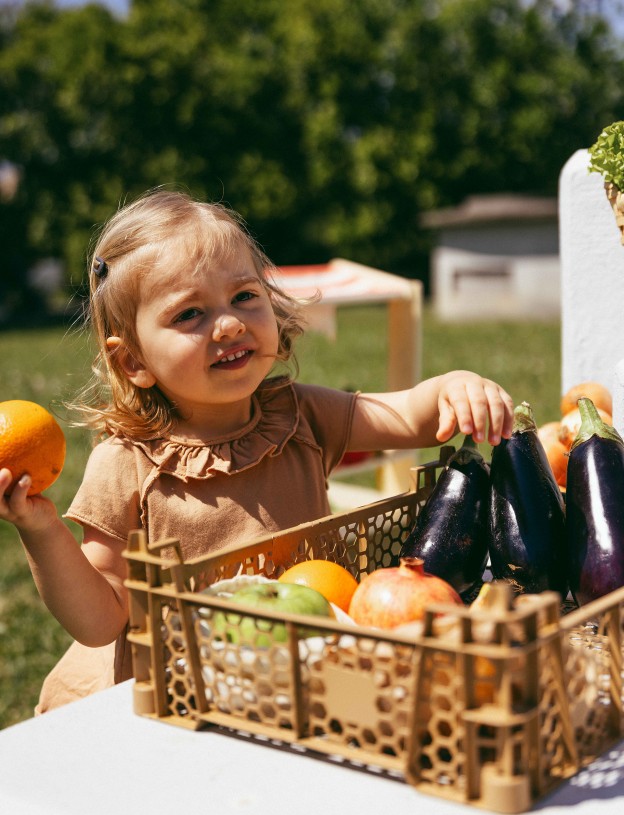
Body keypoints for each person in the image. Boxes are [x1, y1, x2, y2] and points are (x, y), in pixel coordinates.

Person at [0, 189, 514, 713]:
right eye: (191, 314)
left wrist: (453, 386)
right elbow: (100, 619)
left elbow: (406, 415)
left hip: (296, 677)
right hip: (178, 697)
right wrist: (40, 529)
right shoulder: (126, 463)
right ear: (133, 360)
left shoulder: (300, 417)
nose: (229, 324)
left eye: (244, 296)